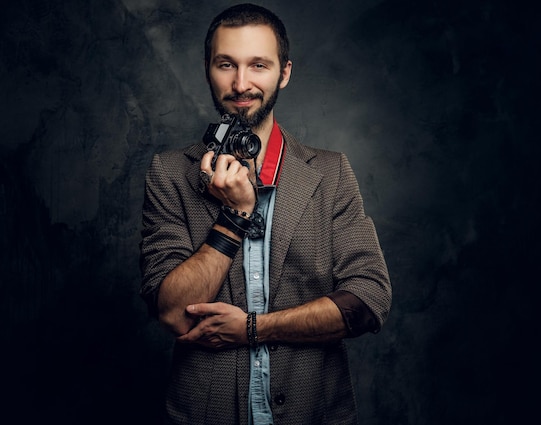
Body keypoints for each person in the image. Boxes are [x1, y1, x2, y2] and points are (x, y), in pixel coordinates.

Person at [140, 3, 391, 424]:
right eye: (226, 65)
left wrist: (255, 328)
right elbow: (173, 313)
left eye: (258, 65)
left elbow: (368, 301)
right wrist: (234, 216)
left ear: (284, 72)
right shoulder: (168, 173)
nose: (241, 84)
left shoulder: (331, 173)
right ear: (207, 69)